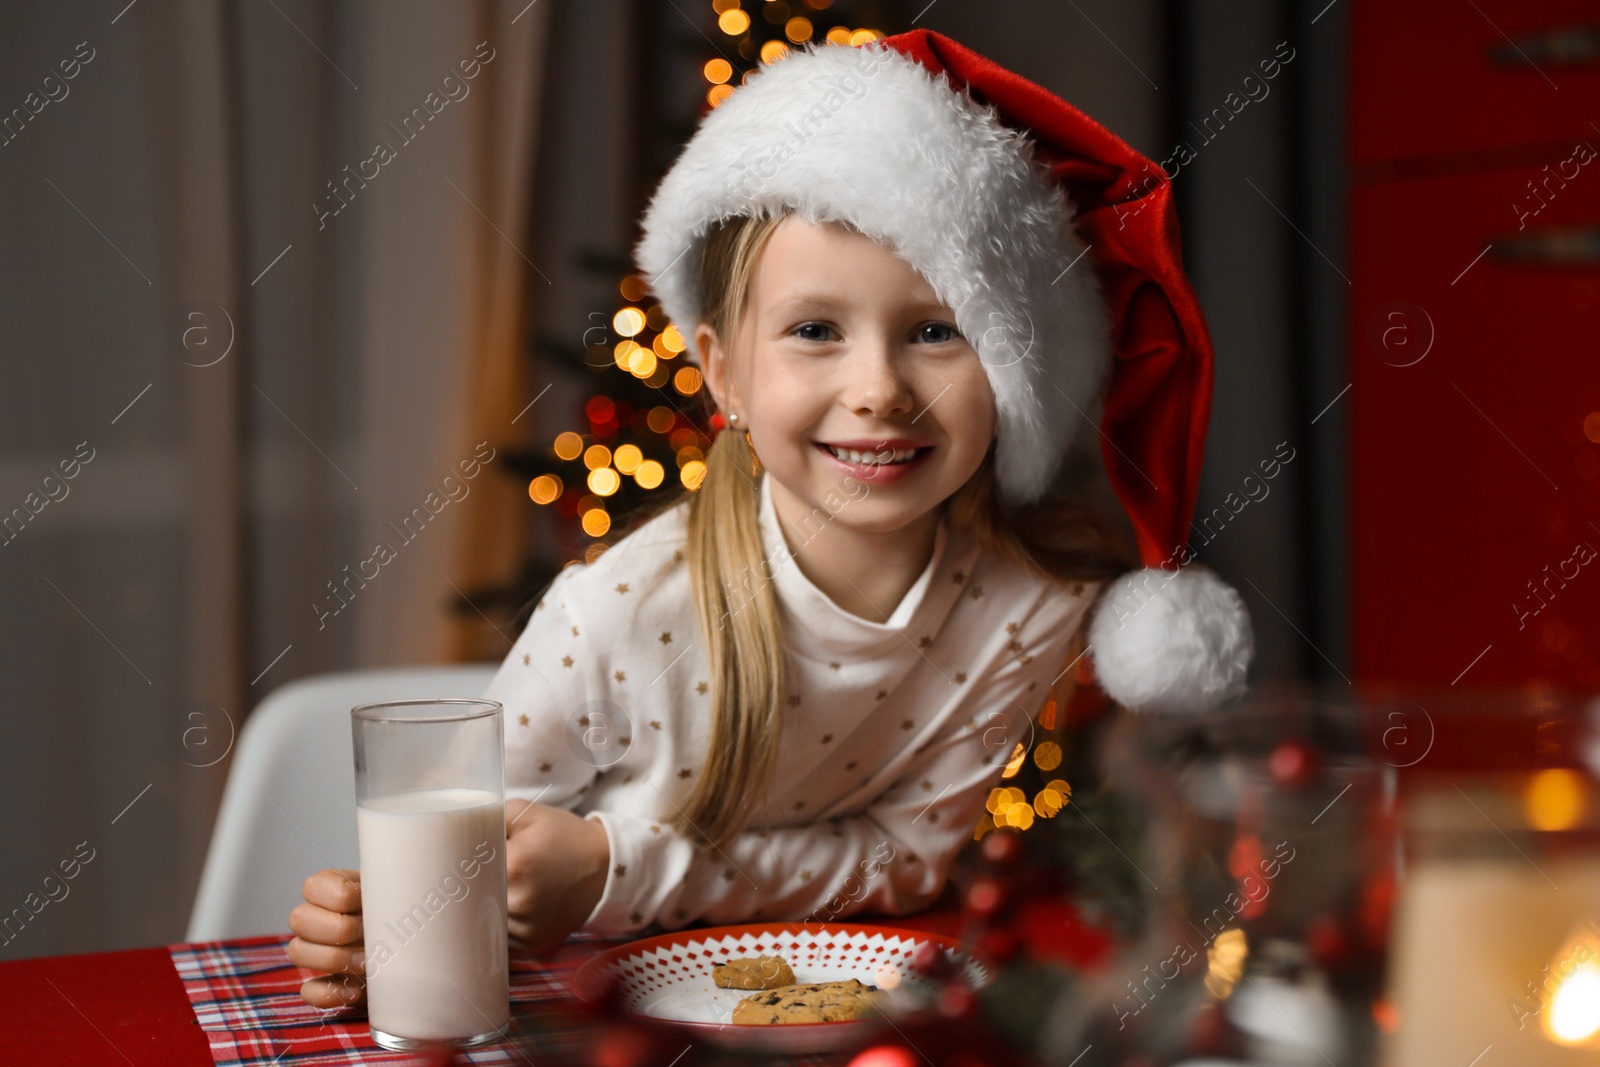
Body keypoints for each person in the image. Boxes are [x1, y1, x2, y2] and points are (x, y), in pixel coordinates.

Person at [287, 29, 1253, 1009]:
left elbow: (908, 861)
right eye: (815, 331)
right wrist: (367, 931)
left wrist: (619, 864)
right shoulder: (620, 608)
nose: (876, 390)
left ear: (1009, 370)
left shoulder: (1029, 610)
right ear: (724, 373)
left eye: (934, 330)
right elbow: (465, 875)